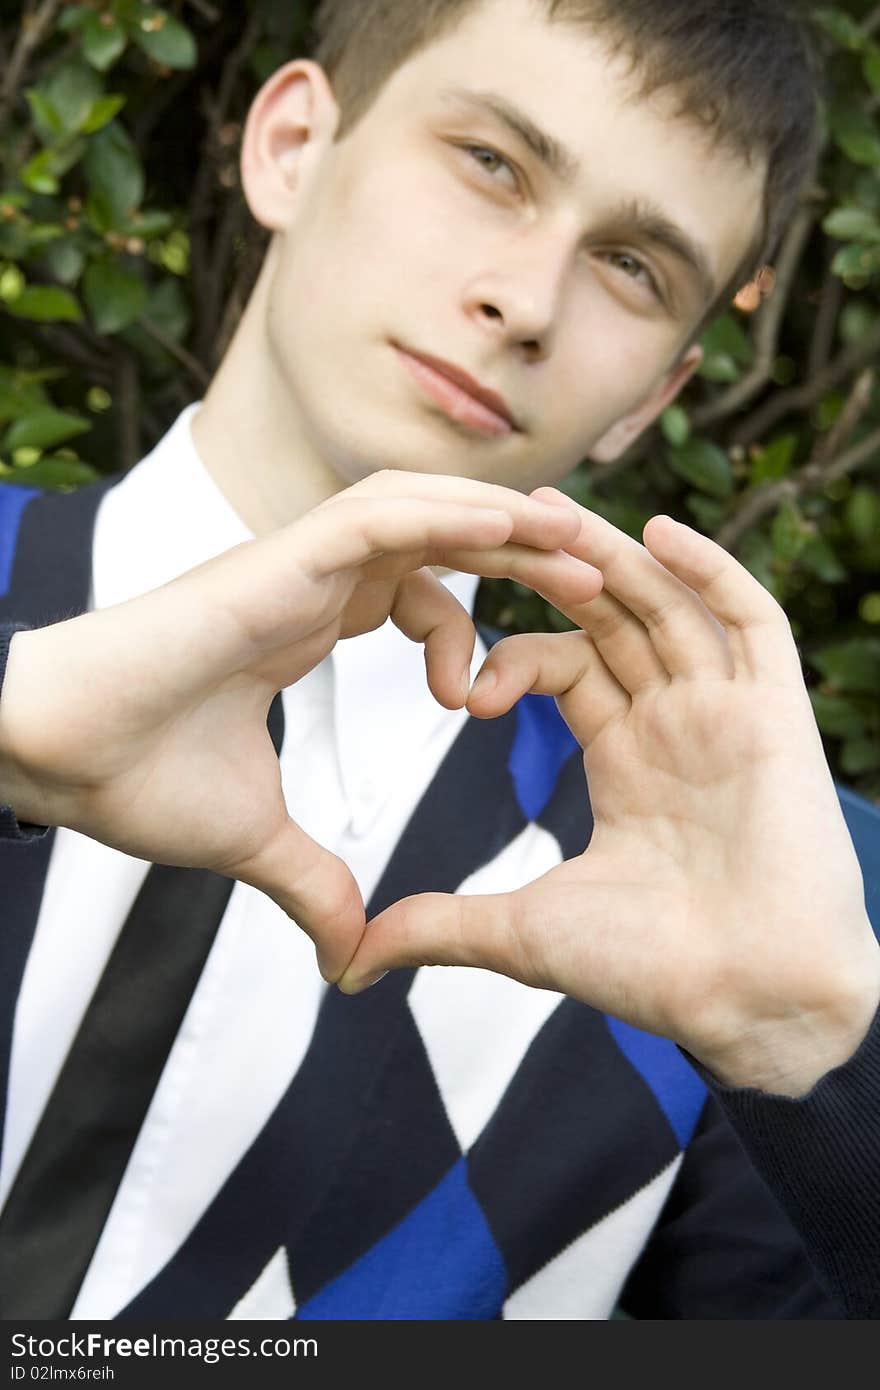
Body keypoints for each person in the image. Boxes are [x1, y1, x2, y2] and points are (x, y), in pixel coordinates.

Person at [0, 0, 878, 1320]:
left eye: (635, 265)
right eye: (491, 163)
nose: (525, 301)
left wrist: (816, 1072)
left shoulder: (764, 885)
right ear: (295, 142)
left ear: (655, 393)